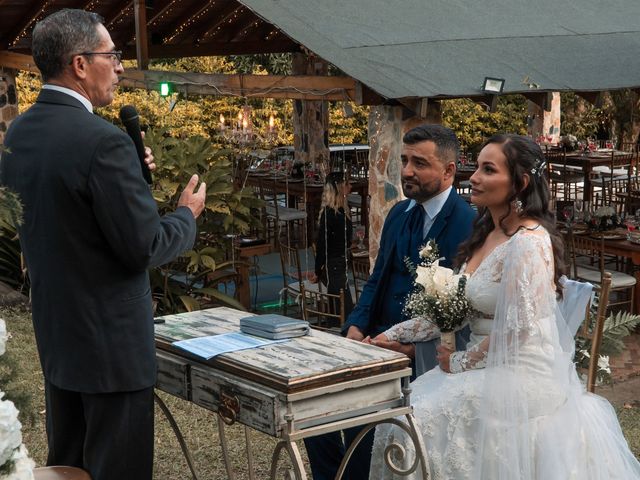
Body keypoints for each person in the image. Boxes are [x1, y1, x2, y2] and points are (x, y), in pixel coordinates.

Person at [0, 9, 206, 480]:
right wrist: (185, 214)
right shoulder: (102, 142)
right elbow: (143, 246)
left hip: (59, 340)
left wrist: (129, 173)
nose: (119, 66)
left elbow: (68, 214)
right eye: (111, 55)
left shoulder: (20, 133)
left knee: (70, 463)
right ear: (79, 63)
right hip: (112, 352)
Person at [370, 134, 640, 479]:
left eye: (488, 169)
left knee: (418, 421)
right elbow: (453, 309)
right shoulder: (484, 233)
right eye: (477, 167)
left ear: (520, 183)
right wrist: (384, 337)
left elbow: (520, 329)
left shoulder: (529, 243)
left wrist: (461, 361)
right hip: (483, 365)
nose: (474, 178)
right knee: (403, 410)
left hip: (522, 373)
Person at [305, 125, 476, 480]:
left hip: (419, 355)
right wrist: (355, 326)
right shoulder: (399, 213)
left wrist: (407, 349)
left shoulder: (468, 224)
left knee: (360, 425)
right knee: (311, 412)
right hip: (372, 339)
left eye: (419, 163)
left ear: (448, 171)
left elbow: (463, 315)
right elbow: (377, 279)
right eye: (403, 160)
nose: (407, 170)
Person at [309, 171, 354, 319]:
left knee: (341, 302)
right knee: (341, 305)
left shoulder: (340, 210)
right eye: (347, 184)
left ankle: (341, 325)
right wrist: (317, 269)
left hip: (338, 262)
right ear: (339, 187)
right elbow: (322, 244)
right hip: (334, 264)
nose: (351, 187)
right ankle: (340, 328)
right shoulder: (332, 214)